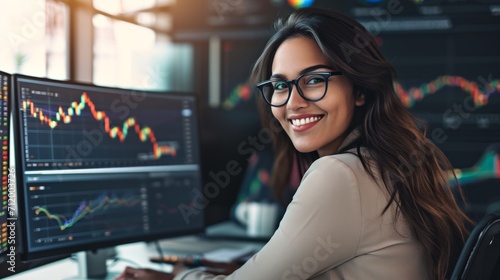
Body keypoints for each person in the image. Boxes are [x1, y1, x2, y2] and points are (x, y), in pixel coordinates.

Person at [115, 7, 471, 280]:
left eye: (314, 80)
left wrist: (178, 276)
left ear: (360, 89)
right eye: (280, 85)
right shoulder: (388, 163)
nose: (292, 102)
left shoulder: (342, 174)